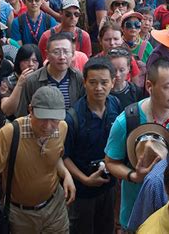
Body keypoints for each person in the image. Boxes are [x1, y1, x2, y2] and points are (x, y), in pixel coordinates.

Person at [104, 59, 169, 229]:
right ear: (149, 86)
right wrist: (133, 176)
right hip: (138, 215)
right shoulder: (127, 121)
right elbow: (111, 162)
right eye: (168, 86)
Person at [0, 86, 75, 234]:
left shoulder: (62, 128)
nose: (48, 126)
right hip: (21, 215)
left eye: (54, 119)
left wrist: (66, 174)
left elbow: (55, 155)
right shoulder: (10, 134)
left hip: (55, 207)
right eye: (42, 118)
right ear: (30, 110)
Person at [64, 57, 121, 234]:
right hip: (82, 192)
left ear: (113, 82)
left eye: (104, 82)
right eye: (93, 82)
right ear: (85, 83)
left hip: (109, 186)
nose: (98, 88)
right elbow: (64, 156)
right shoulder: (73, 117)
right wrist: (85, 179)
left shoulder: (115, 105)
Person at [16, 32, 85, 116]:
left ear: (73, 54)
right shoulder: (33, 80)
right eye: (56, 52)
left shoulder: (78, 77)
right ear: (47, 55)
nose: (62, 57)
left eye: (66, 52)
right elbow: (23, 113)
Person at [0, 44, 43, 117]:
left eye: (35, 61)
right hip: (15, 121)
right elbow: (7, 111)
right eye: (26, 60)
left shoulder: (43, 78)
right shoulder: (8, 81)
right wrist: (19, 84)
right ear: (19, 62)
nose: (30, 64)